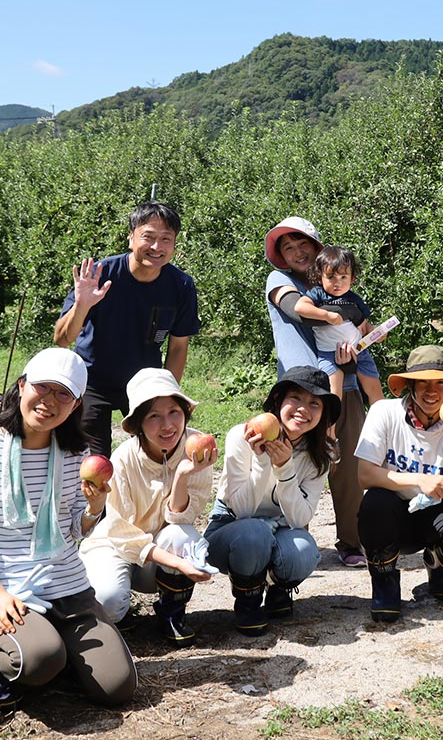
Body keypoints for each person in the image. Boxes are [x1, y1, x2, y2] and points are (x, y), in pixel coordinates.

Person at [0, 348, 136, 711]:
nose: (49, 401)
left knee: (118, 688)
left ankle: (57, 652)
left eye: (63, 394)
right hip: (7, 589)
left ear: (76, 404)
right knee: (40, 659)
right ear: (22, 386)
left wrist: (94, 509)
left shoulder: (77, 454)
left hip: (67, 586)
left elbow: (74, 533)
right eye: (42, 388)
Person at [354, 345, 443, 623]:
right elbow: (365, 475)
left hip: (435, 516)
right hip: (394, 515)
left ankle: (438, 564)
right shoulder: (385, 412)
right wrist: (420, 480)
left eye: (441, 383)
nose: (432, 391)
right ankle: (384, 581)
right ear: (410, 385)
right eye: (423, 383)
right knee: (374, 503)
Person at [79, 367, 218, 645]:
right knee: (108, 600)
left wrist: (181, 475)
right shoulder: (123, 460)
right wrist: (180, 563)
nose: (167, 425)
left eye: (174, 412)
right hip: (118, 546)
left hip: (162, 550)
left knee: (181, 535)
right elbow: (122, 534)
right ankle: (120, 612)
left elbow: (182, 518)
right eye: (154, 416)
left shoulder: (197, 448)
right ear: (139, 423)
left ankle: (171, 611)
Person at [54, 201, 200, 458]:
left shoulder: (181, 286)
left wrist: (168, 395)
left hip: (144, 381)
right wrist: (82, 305)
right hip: (92, 379)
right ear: (131, 238)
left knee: (157, 452)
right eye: (148, 237)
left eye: (166, 239)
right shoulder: (100, 275)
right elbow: (63, 339)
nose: (157, 247)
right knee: (94, 460)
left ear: (174, 246)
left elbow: (178, 347)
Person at [264, 216, 369, 568]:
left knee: (348, 463)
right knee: (295, 461)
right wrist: (338, 316)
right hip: (297, 390)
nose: (296, 252)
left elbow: (360, 328)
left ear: (316, 246)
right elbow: (295, 309)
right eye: (288, 248)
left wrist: (353, 356)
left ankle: (352, 540)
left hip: (344, 382)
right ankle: (295, 539)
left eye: (302, 244)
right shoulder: (279, 280)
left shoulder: (337, 280)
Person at [203, 366, 338, 636]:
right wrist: (263, 462)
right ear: (278, 401)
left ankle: (279, 586)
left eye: (315, 403)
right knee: (254, 532)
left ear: (323, 414)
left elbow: (300, 519)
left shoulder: (321, 454)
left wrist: (285, 468)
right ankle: (248, 599)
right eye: (296, 398)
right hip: (232, 529)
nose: (303, 409)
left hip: (283, 527)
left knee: (302, 551)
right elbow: (242, 511)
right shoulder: (241, 438)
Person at [293, 245, 386, 407]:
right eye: (331, 277)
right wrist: (327, 315)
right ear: (319, 277)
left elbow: (364, 325)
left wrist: (376, 333)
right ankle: (330, 431)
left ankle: (382, 428)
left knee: (375, 393)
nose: (338, 283)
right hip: (329, 355)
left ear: (352, 278)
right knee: (333, 398)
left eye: (343, 277)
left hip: (359, 350)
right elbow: (300, 307)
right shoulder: (318, 294)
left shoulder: (354, 299)